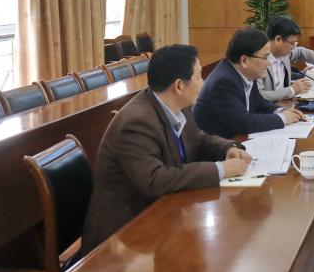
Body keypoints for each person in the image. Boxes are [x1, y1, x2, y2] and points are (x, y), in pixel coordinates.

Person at [81, 45, 251, 253]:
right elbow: (154, 180)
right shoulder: (136, 122)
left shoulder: (175, 105)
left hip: (161, 211)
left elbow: (197, 138)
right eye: (199, 77)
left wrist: (228, 148)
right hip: (123, 238)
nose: (203, 82)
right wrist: (221, 170)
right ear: (179, 86)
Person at [193, 28, 305, 138]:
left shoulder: (246, 72)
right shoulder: (223, 82)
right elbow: (244, 123)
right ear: (244, 60)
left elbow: (260, 103)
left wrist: (282, 111)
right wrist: (283, 118)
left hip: (236, 139)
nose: (269, 63)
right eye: (265, 57)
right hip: (218, 145)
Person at [257, 18, 314, 102]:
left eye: (295, 43)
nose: (294, 47)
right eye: (292, 43)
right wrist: (292, 90)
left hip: (287, 104)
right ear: (278, 40)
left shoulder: (284, 54)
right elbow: (260, 96)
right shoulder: (257, 61)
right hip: (270, 108)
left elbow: (301, 51)